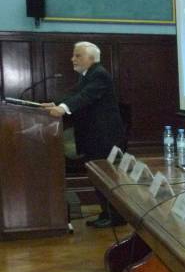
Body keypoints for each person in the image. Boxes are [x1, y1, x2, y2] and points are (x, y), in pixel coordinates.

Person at [43, 41, 127, 228]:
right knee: (98, 176)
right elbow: (74, 93)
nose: (73, 58)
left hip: (105, 138)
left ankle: (116, 216)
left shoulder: (100, 75)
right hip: (94, 136)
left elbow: (86, 96)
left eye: (77, 55)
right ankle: (108, 213)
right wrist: (53, 103)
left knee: (106, 177)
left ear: (91, 58)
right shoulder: (88, 75)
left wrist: (63, 109)